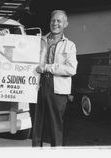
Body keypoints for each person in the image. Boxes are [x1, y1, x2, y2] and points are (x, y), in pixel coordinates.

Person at [32, 10, 78, 147]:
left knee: (56, 126)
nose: (55, 23)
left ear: (65, 24)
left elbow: (71, 69)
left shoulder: (70, 45)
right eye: (53, 20)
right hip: (39, 85)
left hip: (58, 88)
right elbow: (20, 47)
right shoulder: (40, 40)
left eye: (59, 21)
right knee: (37, 125)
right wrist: (4, 36)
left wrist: (47, 67)